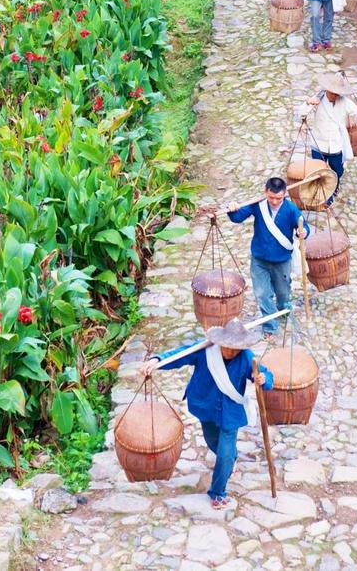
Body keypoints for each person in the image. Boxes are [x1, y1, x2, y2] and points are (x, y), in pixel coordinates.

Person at [139, 319, 273, 510]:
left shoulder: (246, 357)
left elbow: (265, 376)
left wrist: (263, 379)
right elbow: (180, 356)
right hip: (205, 405)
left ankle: (218, 491)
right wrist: (157, 361)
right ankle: (228, 460)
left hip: (230, 411)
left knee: (225, 452)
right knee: (212, 442)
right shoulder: (205, 351)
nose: (230, 351)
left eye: (235, 348)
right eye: (227, 347)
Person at [227, 176, 309, 337]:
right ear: (266, 192)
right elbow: (238, 217)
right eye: (271, 197)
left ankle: (283, 309)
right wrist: (232, 209)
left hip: (281, 260)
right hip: (260, 259)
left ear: (284, 194)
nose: (274, 201)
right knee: (262, 294)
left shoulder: (291, 209)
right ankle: (270, 326)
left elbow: (303, 225)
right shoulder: (258, 206)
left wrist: (303, 232)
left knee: (283, 292)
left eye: (278, 198)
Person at [305, 73, 357, 202]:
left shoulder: (344, 102)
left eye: (338, 93)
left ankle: (334, 187)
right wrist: (308, 102)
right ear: (328, 90)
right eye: (334, 92)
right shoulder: (317, 99)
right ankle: (323, 195)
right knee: (319, 171)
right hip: (319, 142)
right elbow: (302, 112)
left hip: (336, 143)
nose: (336, 95)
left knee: (337, 171)